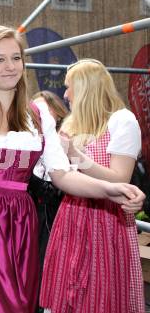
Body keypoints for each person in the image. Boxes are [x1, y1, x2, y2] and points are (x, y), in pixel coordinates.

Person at [0, 26, 145, 313]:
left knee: (19, 304)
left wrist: (110, 188)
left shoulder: (37, 115)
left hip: (21, 223)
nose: (10, 66)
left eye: (16, 58)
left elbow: (62, 174)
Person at [40, 59, 145, 313]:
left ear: (86, 88)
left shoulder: (123, 120)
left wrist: (75, 155)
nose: (64, 94)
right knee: (66, 299)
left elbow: (119, 179)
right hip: (71, 220)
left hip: (106, 225)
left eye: (69, 87)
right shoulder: (71, 125)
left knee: (100, 301)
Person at [27, 90, 69, 297]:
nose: (39, 112)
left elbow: (59, 188)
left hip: (53, 222)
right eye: (35, 108)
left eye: (44, 108)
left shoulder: (64, 142)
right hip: (27, 220)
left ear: (56, 112)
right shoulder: (26, 141)